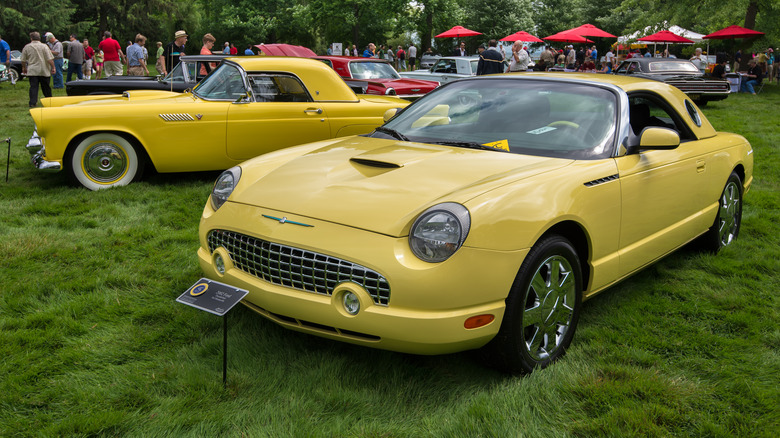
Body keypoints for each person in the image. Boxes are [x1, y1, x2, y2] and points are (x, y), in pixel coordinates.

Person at [21, 31, 55, 107]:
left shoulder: (27, 47)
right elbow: (49, 59)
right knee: (46, 87)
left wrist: (24, 68)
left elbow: (23, 60)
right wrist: (53, 67)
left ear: (31, 38)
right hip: (44, 69)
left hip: (33, 70)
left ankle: (33, 102)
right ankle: (49, 101)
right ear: (39, 38)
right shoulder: (44, 46)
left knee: (33, 87)